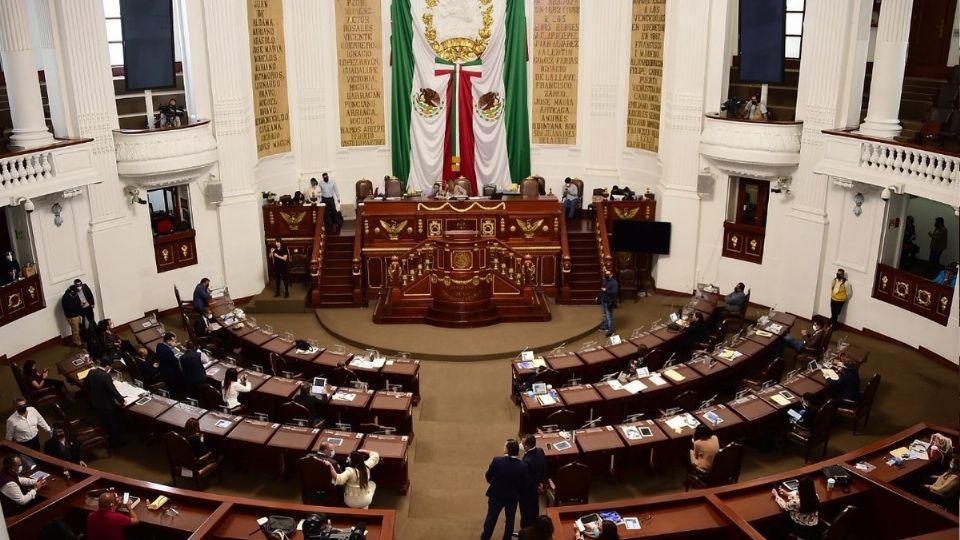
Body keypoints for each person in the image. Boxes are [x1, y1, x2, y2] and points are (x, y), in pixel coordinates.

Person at [481, 439, 527, 540]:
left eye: (505, 446)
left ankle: (485, 538)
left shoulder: (497, 461)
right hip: (512, 497)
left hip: (496, 495)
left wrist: (493, 483)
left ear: (507, 449)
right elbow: (522, 483)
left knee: (491, 518)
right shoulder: (522, 466)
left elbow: (488, 476)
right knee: (510, 521)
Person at [83, 356, 127, 448]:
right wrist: (122, 400)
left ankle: (106, 436)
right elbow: (113, 390)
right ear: (108, 366)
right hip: (107, 404)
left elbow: (85, 385)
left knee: (103, 421)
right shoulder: (105, 376)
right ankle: (116, 442)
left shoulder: (92, 371)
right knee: (113, 423)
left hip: (96, 401)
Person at [772, 475, 819, 539]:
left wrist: (776, 495)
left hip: (801, 527)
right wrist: (787, 494)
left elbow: (784, 506)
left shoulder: (796, 502)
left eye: (799, 485)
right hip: (814, 526)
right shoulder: (816, 496)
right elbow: (802, 496)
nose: (797, 486)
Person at [519, 434, 546, 529]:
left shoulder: (526, 461)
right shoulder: (540, 451)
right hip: (537, 487)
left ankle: (526, 532)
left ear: (527, 446)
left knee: (525, 513)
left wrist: (535, 487)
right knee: (535, 509)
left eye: (522, 443)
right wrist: (541, 483)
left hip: (527, 493)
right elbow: (543, 468)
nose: (521, 444)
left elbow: (526, 480)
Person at [61, 279, 96, 346]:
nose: (79, 287)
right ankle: (83, 339)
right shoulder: (68, 296)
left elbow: (89, 294)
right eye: (77, 285)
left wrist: (92, 303)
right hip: (78, 311)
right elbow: (71, 305)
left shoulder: (84, 287)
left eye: (80, 285)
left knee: (91, 321)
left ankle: (93, 334)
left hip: (87, 307)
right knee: (80, 326)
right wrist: (79, 305)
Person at [599, 270, 619, 338]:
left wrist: (606, 290)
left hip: (609, 301)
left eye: (607, 274)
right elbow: (602, 289)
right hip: (603, 300)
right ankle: (605, 326)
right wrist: (598, 297)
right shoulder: (605, 280)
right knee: (604, 314)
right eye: (606, 274)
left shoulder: (614, 282)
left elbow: (615, 292)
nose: (606, 275)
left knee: (609, 316)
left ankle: (611, 330)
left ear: (611, 275)